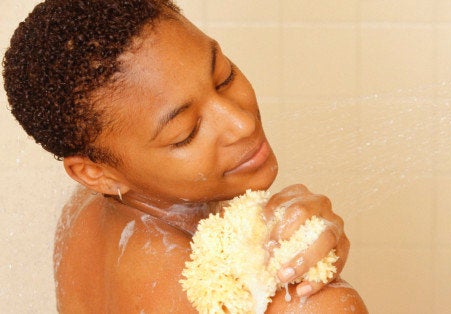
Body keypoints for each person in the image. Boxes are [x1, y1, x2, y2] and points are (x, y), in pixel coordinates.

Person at [3, 0, 367, 312]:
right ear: (96, 173)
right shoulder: (303, 303)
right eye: (186, 132)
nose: (241, 123)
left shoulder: (84, 213)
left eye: (224, 77)